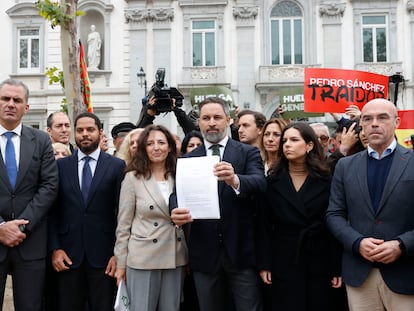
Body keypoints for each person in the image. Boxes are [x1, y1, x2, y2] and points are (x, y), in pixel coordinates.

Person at [171, 97, 266, 311]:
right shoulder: (187, 160)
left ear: (228, 120)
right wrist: (174, 210)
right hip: (204, 252)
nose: (211, 122)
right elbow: (177, 194)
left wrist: (235, 180)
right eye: (206, 118)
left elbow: (260, 183)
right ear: (199, 123)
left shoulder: (247, 152)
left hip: (240, 250)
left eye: (217, 117)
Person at [326, 98, 414, 310]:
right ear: (362, 125)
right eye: (368, 119)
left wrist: (401, 245)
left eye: (382, 117)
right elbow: (334, 214)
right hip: (360, 274)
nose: (374, 123)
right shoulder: (345, 166)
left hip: (406, 273)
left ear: (397, 122)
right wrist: (357, 243)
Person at [257, 122, 344, 311]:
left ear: (309, 145)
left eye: (294, 140)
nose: (287, 144)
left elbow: (335, 225)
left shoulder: (327, 179)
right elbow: (263, 225)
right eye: (285, 140)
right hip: (283, 258)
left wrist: (336, 266)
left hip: (319, 258)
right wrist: (265, 263)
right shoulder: (272, 181)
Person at [48, 112, 125, 311]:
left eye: (90, 130)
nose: (85, 134)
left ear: (100, 132)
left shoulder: (117, 166)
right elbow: (52, 212)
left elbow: (123, 214)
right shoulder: (60, 166)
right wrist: (55, 249)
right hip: (68, 256)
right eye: (80, 130)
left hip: (105, 257)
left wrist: (118, 253)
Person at [114, 124, 187, 311]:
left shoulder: (180, 175)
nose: (156, 147)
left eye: (161, 142)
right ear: (143, 148)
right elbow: (123, 225)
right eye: (150, 143)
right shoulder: (132, 178)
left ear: (170, 146)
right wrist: (121, 264)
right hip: (142, 257)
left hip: (174, 254)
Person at [0, 78, 58, 311]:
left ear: (27, 107)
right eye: (5, 99)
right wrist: (1, 227)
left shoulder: (42, 140)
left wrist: (21, 226)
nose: (11, 104)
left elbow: (49, 185)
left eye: (17, 100)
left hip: (31, 242)